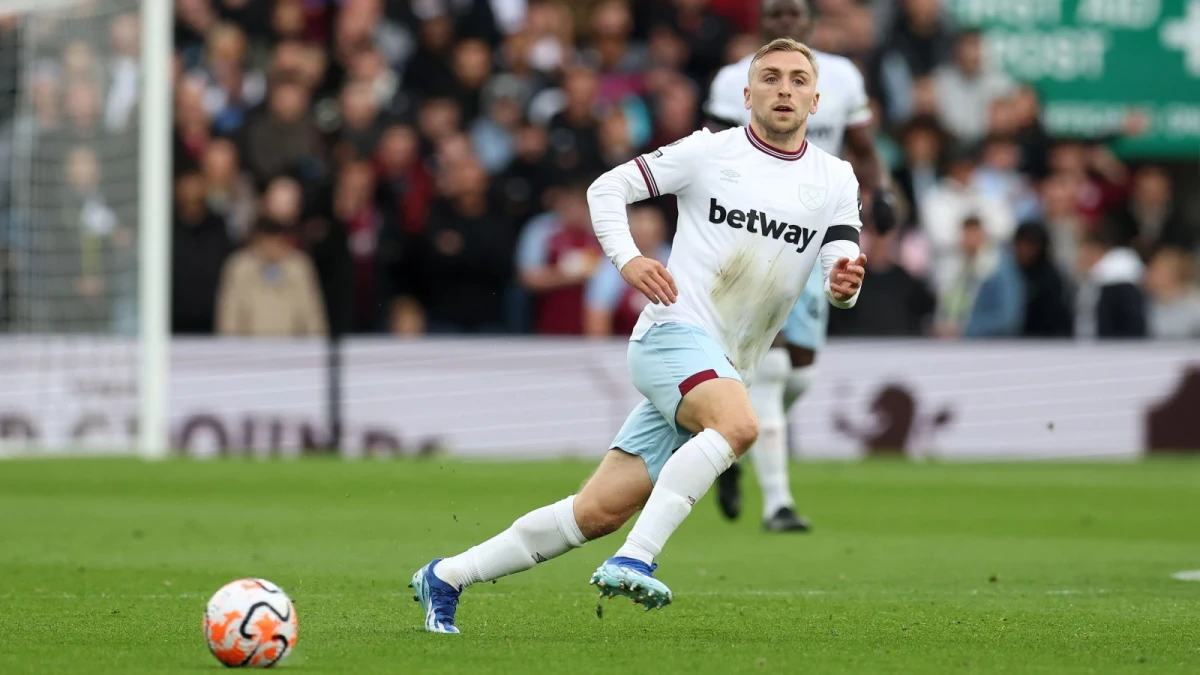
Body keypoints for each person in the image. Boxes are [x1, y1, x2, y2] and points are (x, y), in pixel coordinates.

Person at [410, 38, 867, 633]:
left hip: (725, 363)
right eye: (771, 77)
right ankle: (635, 558)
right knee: (740, 425)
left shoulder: (836, 177)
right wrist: (627, 259)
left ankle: (446, 576)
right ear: (746, 94)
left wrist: (844, 286)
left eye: (798, 80)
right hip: (672, 336)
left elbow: (840, 268)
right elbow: (606, 188)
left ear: (816, 101)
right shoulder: (708, 152)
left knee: (596, 511)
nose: (785, 89)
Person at [702, 0, 895, 531]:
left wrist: (881, 191)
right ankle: (778, 505)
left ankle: (729, 440)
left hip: (818, 231)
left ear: (811, 22)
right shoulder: (732, 80)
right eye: (776, 14)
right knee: (775, 366)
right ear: (761, 23)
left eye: (794, 14)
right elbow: (708, 155)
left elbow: (863, 147)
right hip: (755, 234)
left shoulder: (842, 77)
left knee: (800, 373)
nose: (785, 22)